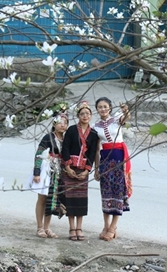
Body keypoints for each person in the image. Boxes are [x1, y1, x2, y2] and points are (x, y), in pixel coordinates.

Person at [93, 97, 132, 241]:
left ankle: (113, 227)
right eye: (100, 107)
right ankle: (105, 225)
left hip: (118, 158)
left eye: (105, 106)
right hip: (105, 159)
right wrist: (97, 168)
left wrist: (125, 110)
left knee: (117, 191)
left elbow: (126, 118)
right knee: (106, 192)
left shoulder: (116, 119)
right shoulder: (95, 126)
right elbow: (96, 149)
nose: (102, 109)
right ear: (97, 109)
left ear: (109, 107)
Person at [61, 101, 99, 241]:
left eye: (87, 114)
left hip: (83, 169)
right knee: (70, 199)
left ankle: (79, 228)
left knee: (81, 199)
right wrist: (67, 167)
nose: (85, 116)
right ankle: (71, 228)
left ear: (91, 116)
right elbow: (65, 147)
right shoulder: (71, 130)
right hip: (70, 168)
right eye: (82, 114)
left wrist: (87, 170)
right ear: (78, 115)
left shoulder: (93, 133)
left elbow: (92, 153)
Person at [28, 112, 68, 238]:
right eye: (60, 122)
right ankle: (40, 227)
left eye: (65, 123)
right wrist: (37, 172)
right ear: (54, 124)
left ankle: (47, 227)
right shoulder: (48, 137)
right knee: (42, 198)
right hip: (47, 170)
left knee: (52, 199)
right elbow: (39, 153)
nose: (63, 125)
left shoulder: (66, 139)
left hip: (59, 171)